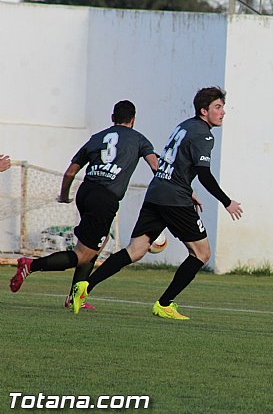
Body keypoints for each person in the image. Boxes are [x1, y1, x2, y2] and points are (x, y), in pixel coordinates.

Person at [70, 86, 243, 320]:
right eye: (218, 107)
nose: (222, 113)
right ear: (204, 110)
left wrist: (186, 188)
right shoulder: (203, 134)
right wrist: (226, 201)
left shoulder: (183, 126)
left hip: (156, 193)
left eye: (223, 107)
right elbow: (204, 173)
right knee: (202, 254)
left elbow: (174, 164)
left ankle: (85, 286)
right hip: (175, 200)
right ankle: (164, 303)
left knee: (136, 250)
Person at [9, 101, 158, 311]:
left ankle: (74, 297)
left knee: (97, 244)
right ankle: (31, 265)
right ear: (133, 120)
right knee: (83, 254)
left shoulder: (96, 138)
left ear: (112, 117)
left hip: (86, 192)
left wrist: (63, 195)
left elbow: (70, 172)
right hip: (104, 199)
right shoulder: (139, 139)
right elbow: (155, 165)